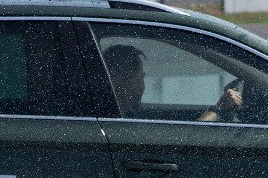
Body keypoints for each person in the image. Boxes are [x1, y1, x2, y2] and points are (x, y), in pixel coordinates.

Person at [101, 43, 242, 122]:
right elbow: (189, 139)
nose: (142, 85)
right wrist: (219, 108)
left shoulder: (121, 114)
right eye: (139, 78)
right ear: (122, 80)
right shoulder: (113, 119)